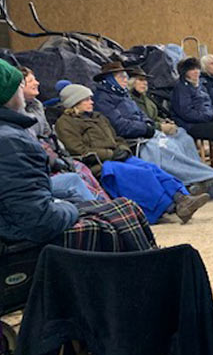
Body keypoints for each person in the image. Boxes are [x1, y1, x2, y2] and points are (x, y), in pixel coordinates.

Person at [0, 59, 155, 252]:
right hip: (20, 236)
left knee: (126, 201)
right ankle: (137, 265)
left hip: (23, 216)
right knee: (118, 218)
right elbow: (38, 222)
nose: (24, 89)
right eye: (19, 85)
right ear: (7, 95)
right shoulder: (10, 141)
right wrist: (72, 208)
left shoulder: (13, 133)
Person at [55, 84, 211, 225]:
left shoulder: (99, 117)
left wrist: (123, 149)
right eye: (87, 99)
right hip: (98, 164)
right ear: (75, 102)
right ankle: (172, 207)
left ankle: (181, 197)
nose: (92, 101)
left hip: (117, 156)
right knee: (138, 173)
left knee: (150, 168)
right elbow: (78, 150)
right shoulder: (66, 123)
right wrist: (110, 153)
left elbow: (116, 138)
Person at [94, 62, 213, 198]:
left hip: (144, 132)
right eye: (121, 77)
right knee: (164, 147)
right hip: (132, 139)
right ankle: (194, 179)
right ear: (109, 79)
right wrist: (148, 128)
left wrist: (150, 125)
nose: (125, 79)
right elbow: (120, 126)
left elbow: (142, 116)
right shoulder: (103, 99)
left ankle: (197, 176)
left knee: (178, 140)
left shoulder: (123, 95)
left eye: (125, 76)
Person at [20, 66, 109, 203]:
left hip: (52, 158)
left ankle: (105, 206)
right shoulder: (18, 117)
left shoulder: (37, 106)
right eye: (31, 80)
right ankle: (102, 212)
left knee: (81, 170)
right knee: (77, 178)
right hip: (38, 172)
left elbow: (48, 135)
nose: (37, 83)